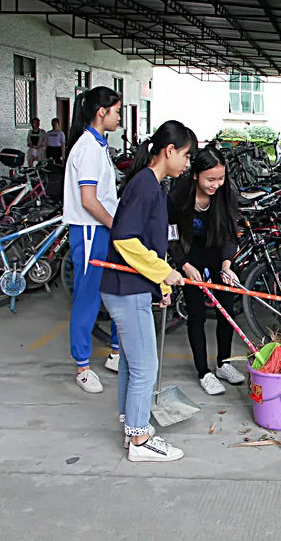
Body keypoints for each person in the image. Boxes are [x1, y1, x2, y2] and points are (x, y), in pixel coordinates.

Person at [100, 120, 193, 462]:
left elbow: (150, 244)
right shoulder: (145, 186)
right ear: (169, 151)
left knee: (132, 363)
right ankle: (139, 440)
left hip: (133, 288)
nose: (187, 164)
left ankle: (132, 427)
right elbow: (125, 239)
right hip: (126, 290)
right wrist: (164, 272)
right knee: (145, 367)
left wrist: (160, 284)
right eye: (186, 155)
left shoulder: (153, 186)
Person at [168, 145, 245, 396]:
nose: (216, 184)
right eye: (210, 179)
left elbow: (230, 234)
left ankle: (223, 363)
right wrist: (184, 264)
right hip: (189, 255)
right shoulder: (179, 195)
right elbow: (171, 235)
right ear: (195, 175)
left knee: (227, 309)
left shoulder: (225, 194)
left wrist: (227, 265)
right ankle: (204, 372)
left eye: (220, 178)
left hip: (217, 254)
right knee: (196, 314)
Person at [63, 87, 122, 393]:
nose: (119, 117)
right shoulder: (86, 147)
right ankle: (83, 366)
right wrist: (115, 225)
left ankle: (115, 354)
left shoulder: (99, 145)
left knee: (115, 290)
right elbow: (88, 200)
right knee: (87, 297)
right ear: (102, 111)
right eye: (117, 111)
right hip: (90, 230)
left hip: (102, 229)